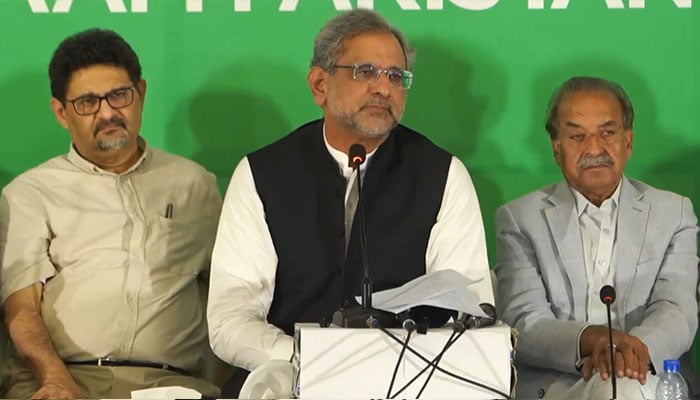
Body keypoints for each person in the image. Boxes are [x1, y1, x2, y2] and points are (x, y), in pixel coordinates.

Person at [207, 8, 493, 398]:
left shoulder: (443, 174)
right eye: (365, 72)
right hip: (289, 379)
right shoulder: (262, 173)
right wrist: (308, 357)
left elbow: (470, 310)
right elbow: (229, 317)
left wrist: (383, 363)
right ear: (319, 84)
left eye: (396, 76)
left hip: (408, 381)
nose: (383, 88)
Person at [0, 29, 222, 399]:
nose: (108, 113)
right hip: (61, 381)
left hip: (172, 386)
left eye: (119, 95)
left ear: (142, 94)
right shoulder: (30, 193)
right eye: (88, 102)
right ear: (61, 112)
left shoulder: (194, 185)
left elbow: (229, 299)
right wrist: (55, 380)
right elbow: (21, 310)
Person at [495, 76, 698, 399]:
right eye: (577, 136)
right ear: (557, 148)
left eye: (607, 133)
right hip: (563, 384)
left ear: (628, 141)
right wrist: (596, 341)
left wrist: (632, 353)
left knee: (626, 389)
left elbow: (677, 308)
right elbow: (524, 321)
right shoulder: (521, 219)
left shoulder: (673, 213)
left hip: (653, 377)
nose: (594, 149)